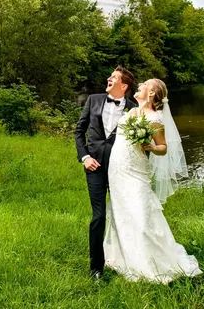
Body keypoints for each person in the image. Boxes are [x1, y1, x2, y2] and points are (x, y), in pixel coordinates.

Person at [103, 78, 202, 283]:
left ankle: (151, 261)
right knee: (120, 210)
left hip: (136, 170)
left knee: (140, 214)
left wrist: (150, 147)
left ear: (151, 93)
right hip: (117, 168)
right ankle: (121, 256)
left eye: (144, 85)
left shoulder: (155, 118)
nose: (139, 86)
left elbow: (163, 147)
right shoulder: (131, 112)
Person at [74, 65, 137, 279]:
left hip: (121, 169)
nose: (109, 78)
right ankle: (96, 269)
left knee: (125, 214)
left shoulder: (134, 107)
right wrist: (85, 157)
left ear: (124, 85)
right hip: (95, 168)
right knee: (99, 216)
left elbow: (140, 141)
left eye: (114, 77)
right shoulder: (93, 100)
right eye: (110, 75)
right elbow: (79, 131)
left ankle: (128, 261)